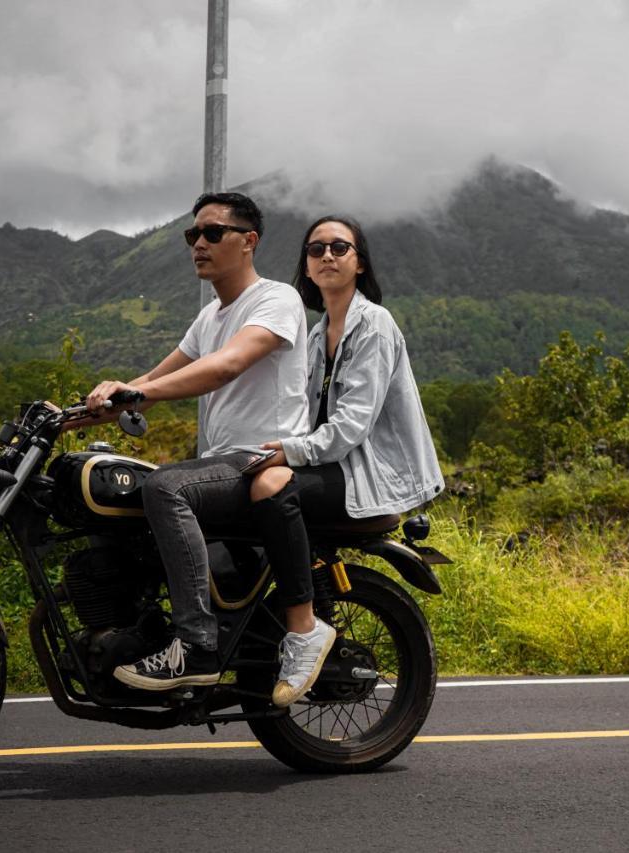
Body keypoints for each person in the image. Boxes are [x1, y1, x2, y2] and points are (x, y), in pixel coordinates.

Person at [76, 191, 313, 691]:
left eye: (211, 233)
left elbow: (224, 366)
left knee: (165, 486)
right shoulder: (210, 317)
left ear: (248, 241)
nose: (198, 244)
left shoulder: (276, 299)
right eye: (192, 235)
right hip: (223, 463)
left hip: (259, 460)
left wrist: (136, 391)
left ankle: (196, 645)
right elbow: (149, 386)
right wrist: (70, 417)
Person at [249, 215, 444, 707]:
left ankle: (304, 631)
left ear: (359, 263)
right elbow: (301, 416)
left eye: (340, 247)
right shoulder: (318, 336)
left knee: (274, 489)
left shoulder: (373, 324)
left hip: (369, 474)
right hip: (334, 466)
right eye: (316, 250)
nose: (328, 256)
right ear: (307, 269)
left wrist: (287, 452)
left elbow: (351, 427)